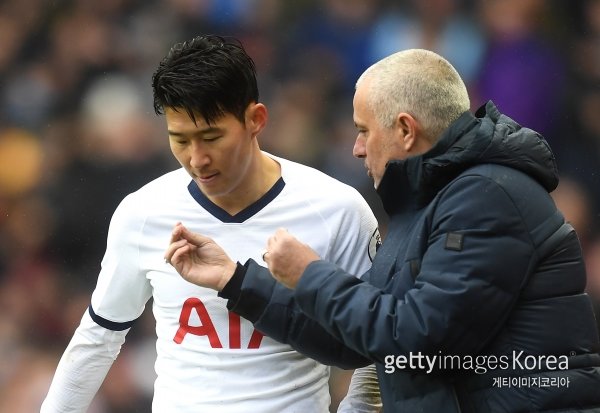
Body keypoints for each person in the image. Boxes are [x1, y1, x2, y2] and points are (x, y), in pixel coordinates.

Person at [166, 48, 600, 412]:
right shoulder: (433, 200)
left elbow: (418, 340)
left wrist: (310, 273)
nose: (357, 148)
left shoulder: (486, 197)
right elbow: (355, 342)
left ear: (406, 130)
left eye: (363, 130)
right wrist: (236, 280)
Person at [41, 35, 383, 412]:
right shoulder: (143, 213)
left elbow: (378, 346)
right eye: (180, 140)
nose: (197, 158)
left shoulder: (338, 211)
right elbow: (99, 338)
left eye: (211, 137)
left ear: (256, 120)